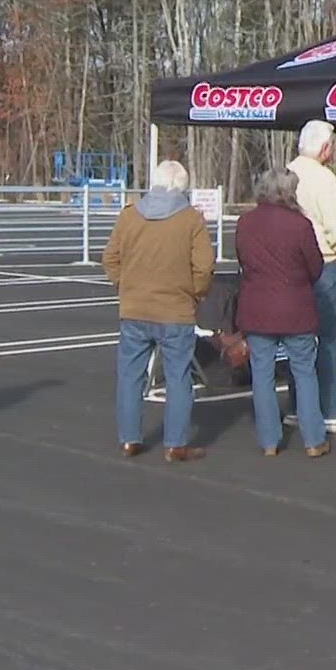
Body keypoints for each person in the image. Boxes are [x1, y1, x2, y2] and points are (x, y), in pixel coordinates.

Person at [102, 159, 214, 462]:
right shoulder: (191, 219)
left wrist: (124, 285)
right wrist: (196, 293)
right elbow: (204, 267)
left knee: (130, 376)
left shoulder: (129, 216)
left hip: (135, 308)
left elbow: (110, 258)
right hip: (175, 309)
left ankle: (129, 439)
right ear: (183, 187)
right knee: (178, 377)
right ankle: (175, 444)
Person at [235, 167, 331, 457]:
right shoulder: (300, 224)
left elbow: (242, 260)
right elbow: (315, 266)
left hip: (257, 308)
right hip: (296, 307)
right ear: (290, 192)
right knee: (304, 372)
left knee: (262, 375)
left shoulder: (245, 223)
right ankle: (313, 439)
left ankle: (269, 441)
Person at [287, 121, 336, 434]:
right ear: (325, 148)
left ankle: (297, 407)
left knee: (300, 342)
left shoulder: (287, 172)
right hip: (328, 264)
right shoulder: (324, 179)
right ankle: (332, 408)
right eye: (333, 145)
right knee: (332, 341)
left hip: (294, 267)